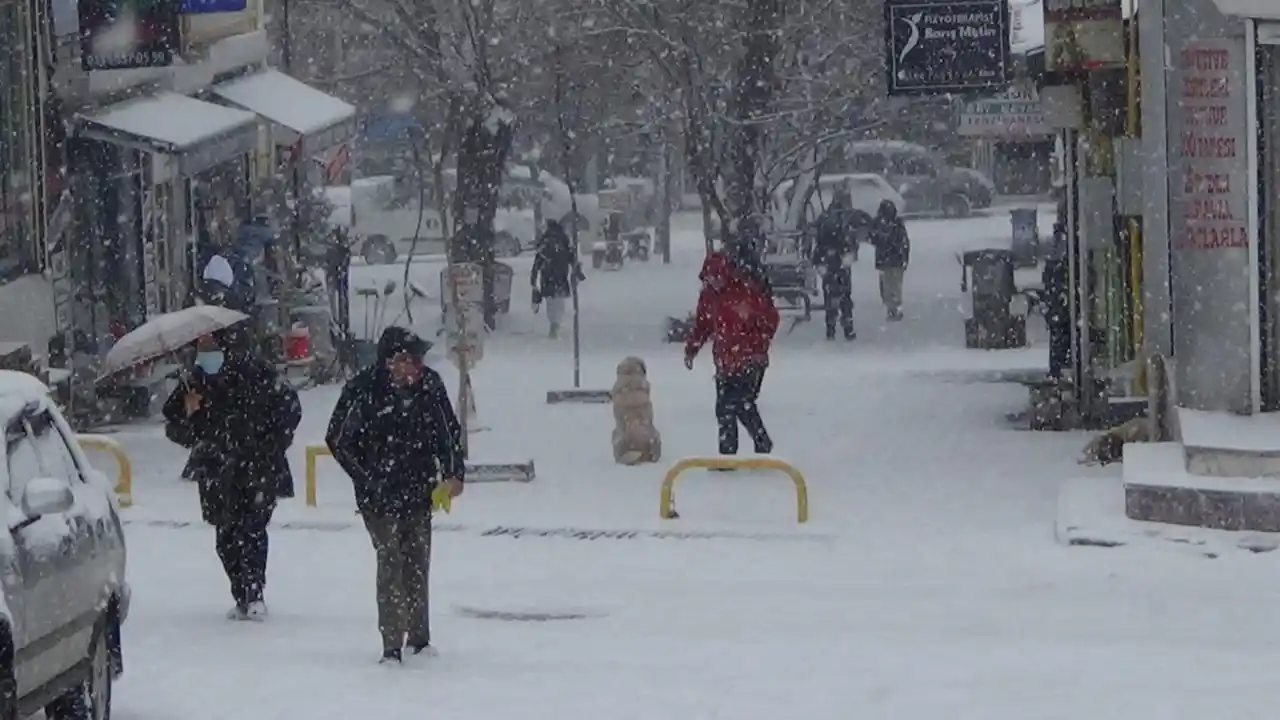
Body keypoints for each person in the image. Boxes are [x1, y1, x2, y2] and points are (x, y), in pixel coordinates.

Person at [325, 327, 466, 664]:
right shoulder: (363, 389)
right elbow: (338, 439)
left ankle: (419, 638)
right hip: (379, 495)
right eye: (406, 359)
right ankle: (392, 643)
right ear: (389, 361)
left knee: (417, 561)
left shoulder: (430, 386)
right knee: (390, 560)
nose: (413, 368)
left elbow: (447, 431)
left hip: (419, 488)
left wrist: (453, 472)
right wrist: (367, 478)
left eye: (416, 360)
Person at [162, 326, 301, 621]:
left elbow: (289, 409)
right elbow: (174, 422)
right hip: (215, 468)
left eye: (210, 345)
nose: (205, 352)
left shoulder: (258, 373)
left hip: (258, 465)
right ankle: (241, 592)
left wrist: (271, 443)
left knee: (252, 529)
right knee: (225, 535)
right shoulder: (195, 381)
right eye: (201, 346)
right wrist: (190, 416)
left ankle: (254, 592)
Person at [684, 251, 779, 459]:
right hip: (725, 361)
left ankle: (745, 447)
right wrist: (692, 348)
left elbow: (770, 318)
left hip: (749, 359)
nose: (714, 282)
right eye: (710, 278)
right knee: (733, 407)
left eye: (717, 277)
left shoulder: (745, 292)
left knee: (734, 404)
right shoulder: (708, 297)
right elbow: (703, 325)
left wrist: (758, 344)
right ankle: (743, 447)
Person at [811, 193, 858, 340]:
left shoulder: (824, 220)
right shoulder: (845, 221)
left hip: (827, 263)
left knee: (830, 298)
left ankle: (830, 328)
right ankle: (848, 328)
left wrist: (819, 263)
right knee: (845, 298)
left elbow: (818, 241)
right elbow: (851, 243)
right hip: (840, 263)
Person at [530, 220, 584, 338]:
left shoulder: (544, 241)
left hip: (547, 276)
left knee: (551, 302)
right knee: (559, 302)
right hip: (561, 276)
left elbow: (537, 262)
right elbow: (572, 258)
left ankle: (553, 324)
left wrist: (533, 278)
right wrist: (577, 271)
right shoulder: (563, 240)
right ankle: (556, 324)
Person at [871, 199, 910, 321]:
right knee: (894, 286)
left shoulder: (880, 225)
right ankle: (894, 308)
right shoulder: (897, 225)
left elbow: (875, 239)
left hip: (887, 261)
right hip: (895, 260)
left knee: (888, 287)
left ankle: (892, 308)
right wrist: (905, 257)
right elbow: (905, 242)